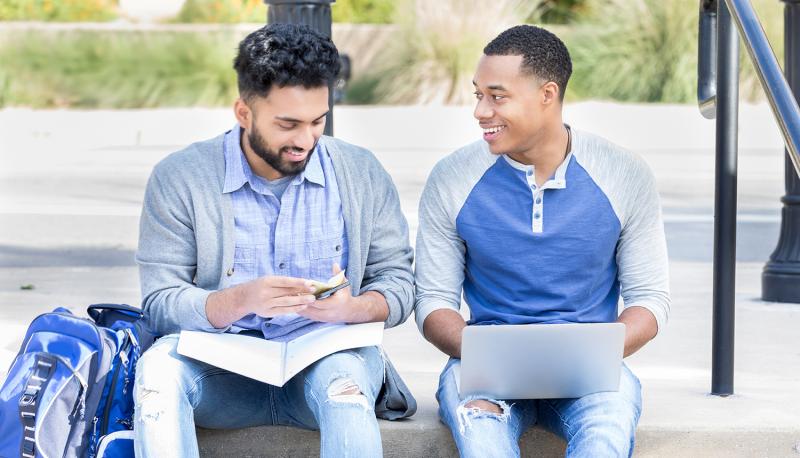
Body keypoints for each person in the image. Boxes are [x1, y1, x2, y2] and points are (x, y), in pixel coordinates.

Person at [133, 23, 415, 457]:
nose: (305, 140)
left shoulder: (360, 172)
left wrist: (353, 308)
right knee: (156, 375)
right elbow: (160, 302)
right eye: (287, 124)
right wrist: (238, 300)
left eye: (317, 121)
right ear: (243, 112)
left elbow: (398, 281)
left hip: (325, 365)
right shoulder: (181, 177)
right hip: (218, 375)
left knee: (345, 387)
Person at [414, 25, 670, 457]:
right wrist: (492, 356)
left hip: (589, 372)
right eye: (478, 95)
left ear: (547, 95)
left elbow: (650, 300)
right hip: (484, 368)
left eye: (497, 96)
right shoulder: (452, 178)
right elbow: (433, 302)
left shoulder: (623, 174)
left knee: (606, 434)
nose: (480, 111)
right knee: (482, 438)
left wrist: (586, 355)